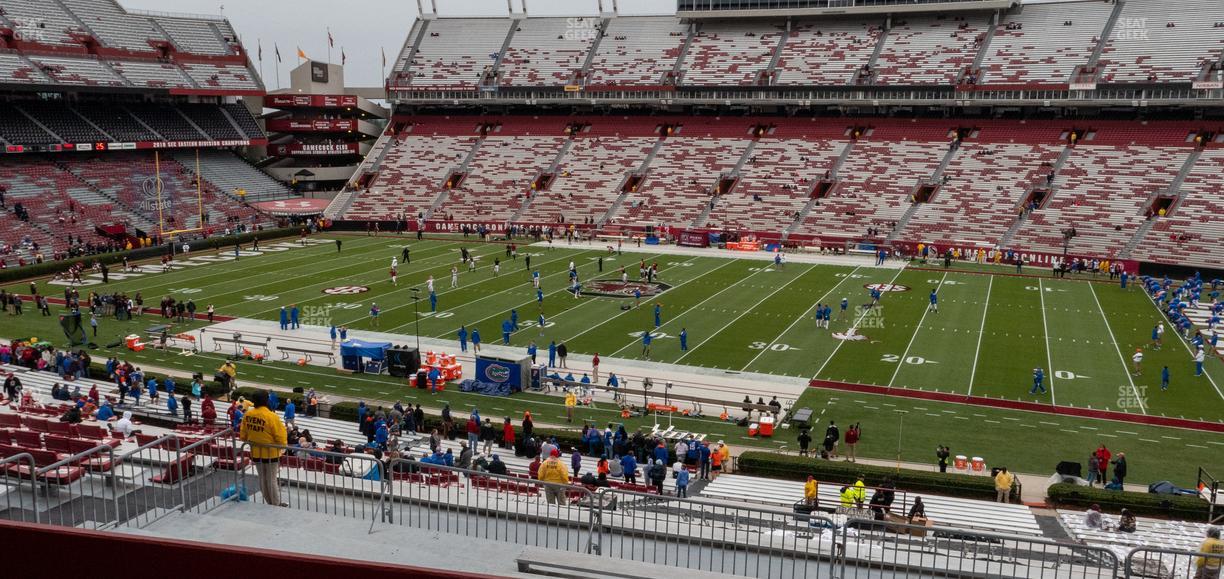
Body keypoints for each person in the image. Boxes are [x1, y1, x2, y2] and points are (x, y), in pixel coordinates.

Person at [240, 391, 288, 507]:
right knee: (271, 480)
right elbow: (281, 438)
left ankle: (269, 502)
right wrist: (283, 448)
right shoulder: (271, 416)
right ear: (266, 401)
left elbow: (243, 436)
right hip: (271, 453)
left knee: (262, 478)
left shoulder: (248, 415)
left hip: (256, 452)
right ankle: (275, 504)